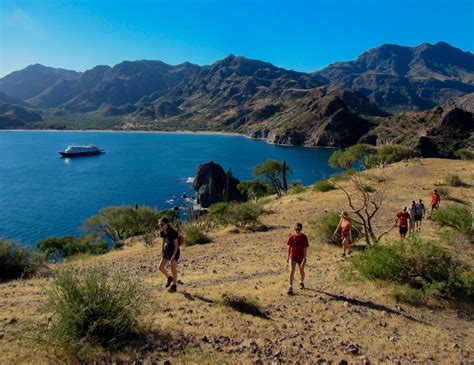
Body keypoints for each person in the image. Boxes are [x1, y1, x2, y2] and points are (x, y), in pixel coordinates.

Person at [158, 217, 180, 293]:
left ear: (166, 224)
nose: (160, 226)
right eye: (159, 224)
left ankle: (174, 286)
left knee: (173, 269)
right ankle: (169, 278)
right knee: (160, 267)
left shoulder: (173, 232)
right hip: (166, 251)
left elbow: (176, 245)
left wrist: (173, 256)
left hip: (174, 252)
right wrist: (162, 251)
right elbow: (164, 241)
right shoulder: (163, 231)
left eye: (161, 224)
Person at [286, 223, 309, 295]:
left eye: (299, 229)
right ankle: (290, 287)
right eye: (296, 229)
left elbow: (305, 248)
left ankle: (301, 282)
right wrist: (288, 256)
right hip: (293, 256)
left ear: (301, 229)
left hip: (301, 257)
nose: (297, 231)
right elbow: (289, 247)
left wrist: (304, 259)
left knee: (301, 270)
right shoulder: (292, 237)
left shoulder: (304, 237)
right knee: (292, 270)